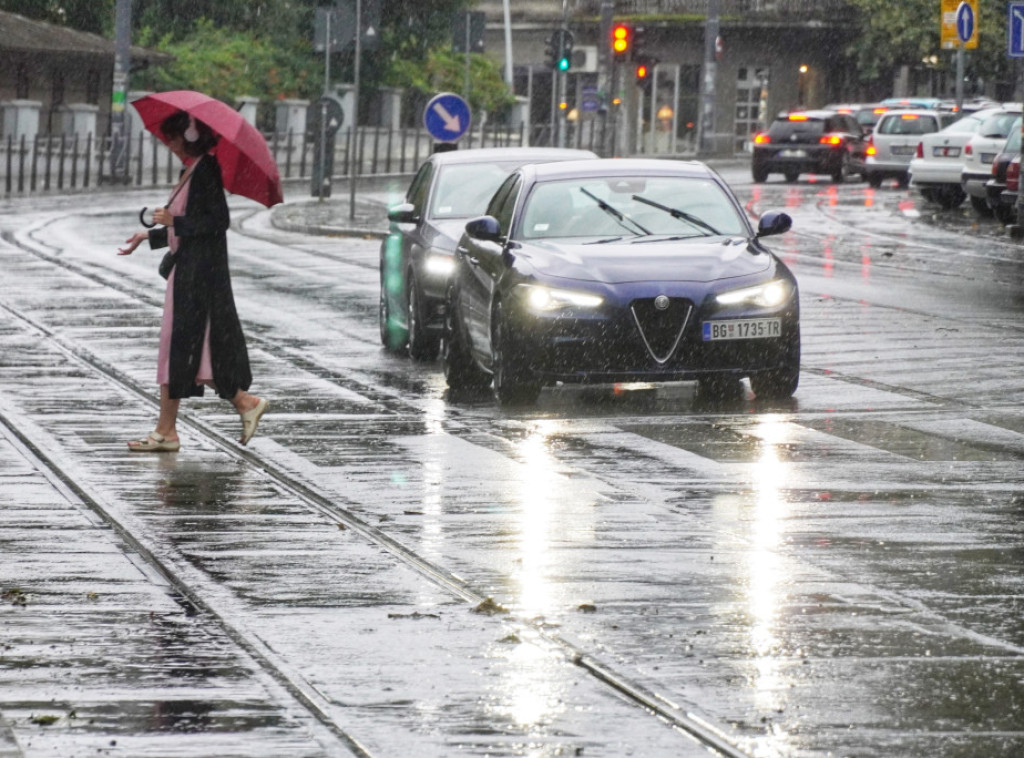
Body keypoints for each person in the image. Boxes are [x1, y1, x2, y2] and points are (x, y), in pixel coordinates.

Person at [118, 110, 267, 452]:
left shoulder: (206, 172)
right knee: (187, 352)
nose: (169, 145)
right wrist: (149, 235)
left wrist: (174, 221)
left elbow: (217, 222)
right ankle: (187, 422)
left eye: (171, 138)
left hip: (199, 278)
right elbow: (184, 223)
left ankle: (173, 428)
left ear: (186, 137)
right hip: (187, 273)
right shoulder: (191, 171)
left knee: (183, 350)